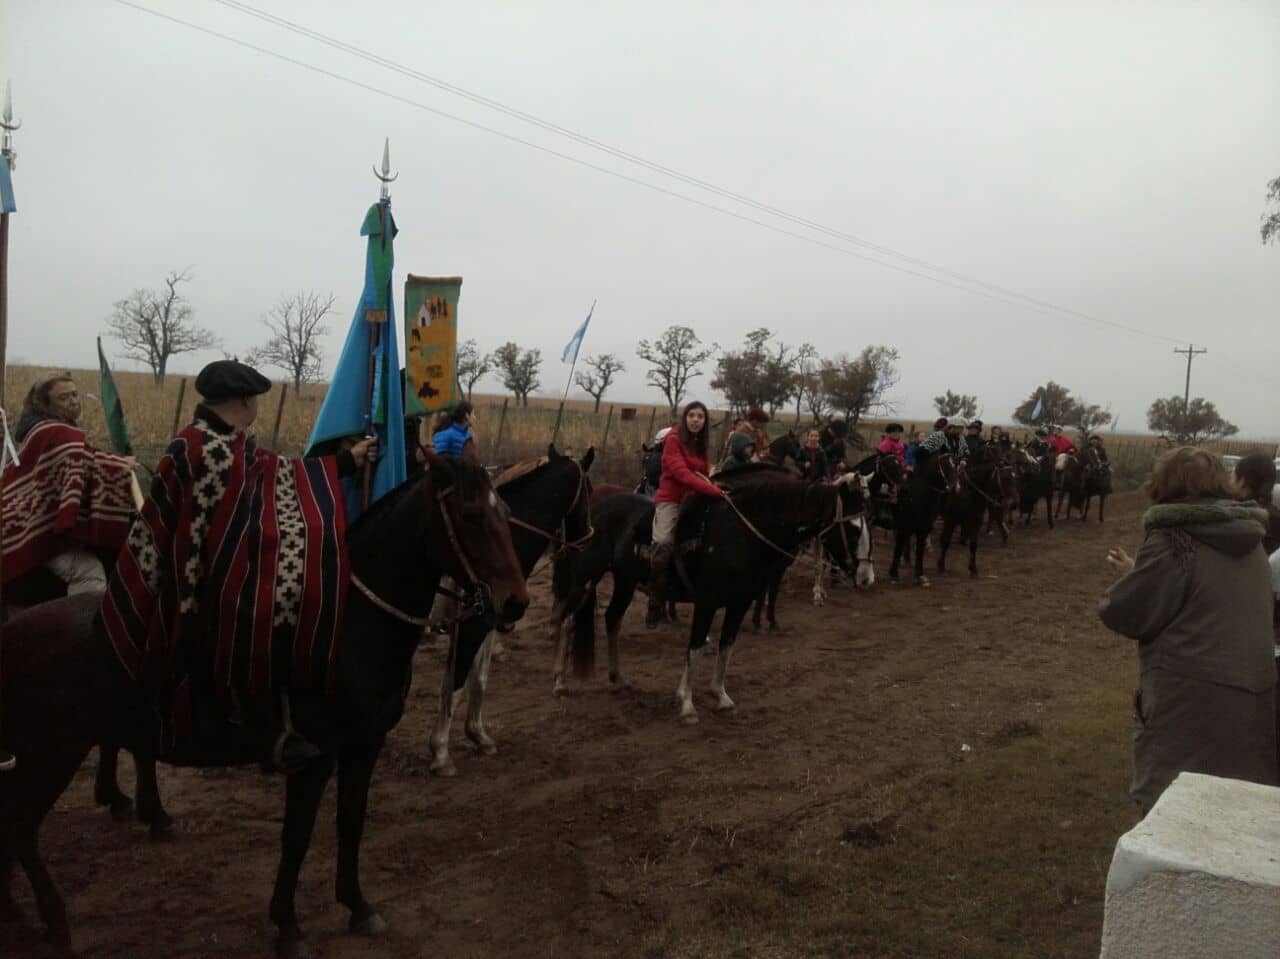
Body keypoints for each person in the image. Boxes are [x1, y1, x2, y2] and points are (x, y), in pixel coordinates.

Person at [100, 360, 378, 775]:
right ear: (245, 400)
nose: (257, 408)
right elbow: (222, 526)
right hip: (195, 577)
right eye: (255, 400)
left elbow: (273, 473)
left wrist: (344, 462)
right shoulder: (206, 448)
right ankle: (261, 731)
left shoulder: (223, 441)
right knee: (272, 606)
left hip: (219, 560)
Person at [1098, 447, 1278, 812]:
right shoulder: (1250, 539)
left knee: (1172, 807)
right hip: (1252, 700)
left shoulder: (1173, 539)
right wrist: (1139, 572)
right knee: (1230, 805)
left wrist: (1121, 590)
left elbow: (1126, 613)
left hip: (1188, 700)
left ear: (1165, 485)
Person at [1, 372, 139, 599]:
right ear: (45, 404)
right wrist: (119, 464)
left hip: (23, 521)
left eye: (75, 394)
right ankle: (81, 621)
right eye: (63, 398)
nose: (73, 401)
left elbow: (85, 457)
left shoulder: (47, 429)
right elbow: (81, 462)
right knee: (88, 573)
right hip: (29, 529)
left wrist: (116, 461)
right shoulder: (53, 432)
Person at [646, 401, 724, 628]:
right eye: (692, 415)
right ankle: (655, 601)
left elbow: (702, 472)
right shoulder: (673, 439)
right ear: (685, 418)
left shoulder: (700, 442)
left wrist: (715, 479)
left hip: (695, 499)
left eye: (700, 416)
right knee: (663, 543)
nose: (696, 420)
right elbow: (682, 473)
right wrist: (713, 491)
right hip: (671, 499)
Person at [1234, 453, 1280, 555]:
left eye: (1232, 477)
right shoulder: (1274, 515)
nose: (1229, 482)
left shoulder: (1237, 514)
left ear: (1242, 481)